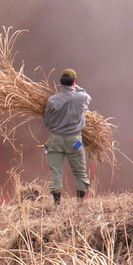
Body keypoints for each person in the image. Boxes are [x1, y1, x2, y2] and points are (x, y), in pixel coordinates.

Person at [42, 68, 91, 204]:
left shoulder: (52, 100)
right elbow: (85, 95)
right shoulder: (82, 97)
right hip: (75, 141)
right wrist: (76, 87)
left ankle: (57, 204)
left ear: (61, 83)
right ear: (74, 81)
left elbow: (47, 121)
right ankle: (80, 203)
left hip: (56, 140)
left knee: (56, 172)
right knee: (80, 172)